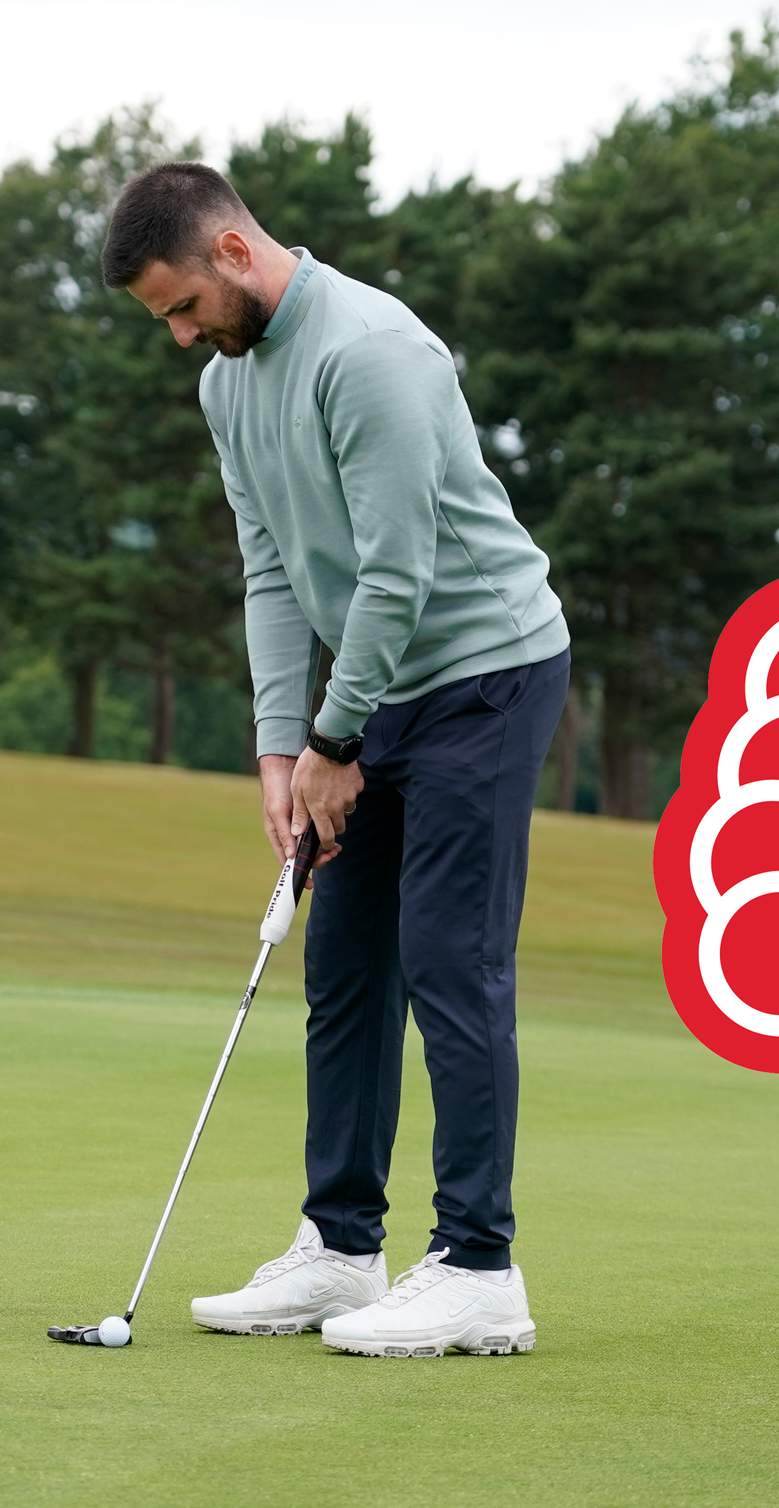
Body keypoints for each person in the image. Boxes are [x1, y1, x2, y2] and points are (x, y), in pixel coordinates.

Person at [101, 163, 573, 1358]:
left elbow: (397, 572)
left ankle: (480, 1266)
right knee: (348, 965)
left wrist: (332, 739)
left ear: (233, 251)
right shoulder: (227, 382)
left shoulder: (370, 352)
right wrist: (282, 747)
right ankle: (342, 1247)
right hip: (374, 691)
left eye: (182, 306)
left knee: (450, 960)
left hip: (485, 672)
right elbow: (271, 567)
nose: (180, 335)